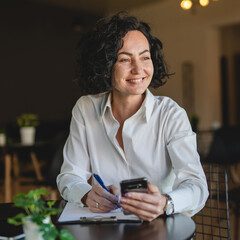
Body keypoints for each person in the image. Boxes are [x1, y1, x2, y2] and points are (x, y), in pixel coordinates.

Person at [57, 12, 208, 222]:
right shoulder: (86, 108)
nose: (139, 69)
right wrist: (86, 194)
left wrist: (165, 202)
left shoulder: (171, 115)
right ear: (106, 66)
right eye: (125, 59)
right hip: (105, 230)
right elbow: (70, 175)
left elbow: (197, 186)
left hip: (161, 228)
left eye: (145, 57)